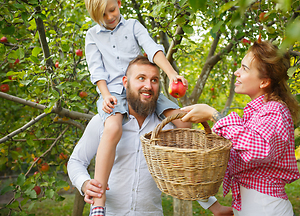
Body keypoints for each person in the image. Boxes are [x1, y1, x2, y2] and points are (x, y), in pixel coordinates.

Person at [67, 56, 233, 216]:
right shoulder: (106, 122)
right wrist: (84, 183)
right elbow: (76, 161)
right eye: (141, 78)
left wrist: (214, 207)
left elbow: (185, 172)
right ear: (126, 82)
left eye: (154, 80)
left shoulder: (167, 129)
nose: (148, 85)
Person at [83, 0, 188, 215]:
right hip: (113, 91)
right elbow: (96, 70)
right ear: (93, 16)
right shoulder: (92, 36)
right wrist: (106, 95)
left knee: (183, 121)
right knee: (112, 129)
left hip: (141, 88)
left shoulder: (132, 26)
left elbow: (152, 49)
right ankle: (98, 203)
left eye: (113, 10)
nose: (110, 16)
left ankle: (194, 180)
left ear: (119, 3)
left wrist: (171, 74)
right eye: (103, 14)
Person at [181, 39, 300, 216]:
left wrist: (214, 115)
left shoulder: (275, 110)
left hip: (266, 209)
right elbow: (230, 155)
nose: (236, 72)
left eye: (245, 68)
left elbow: (259, 148)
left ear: (264, 82)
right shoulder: (253, 115)